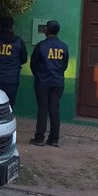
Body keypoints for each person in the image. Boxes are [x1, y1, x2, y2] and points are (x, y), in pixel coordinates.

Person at [30, 19, 69, 147]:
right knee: (54, 109)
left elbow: (33, 64)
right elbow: (64, 65)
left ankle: (39, 138)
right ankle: (54, 139)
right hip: (58, 82)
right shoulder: (64, 46)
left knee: (43, 109)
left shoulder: (41, 46)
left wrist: (39, 75)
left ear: (46, 30)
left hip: (42, 82)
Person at [0, 16, 28, 108]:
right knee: (9, 106)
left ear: (0, 26)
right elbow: (24, 59)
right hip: (11, 79)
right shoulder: (19, 42)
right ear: (13, 26)